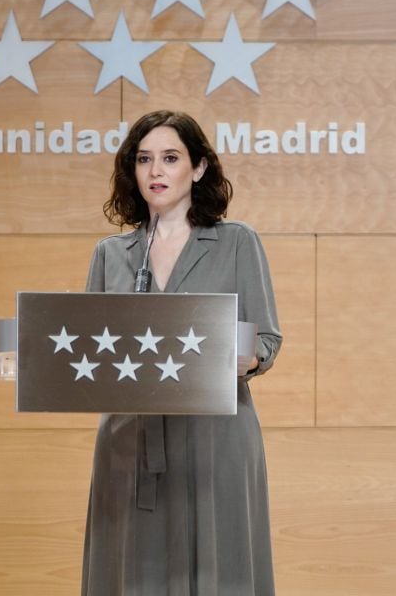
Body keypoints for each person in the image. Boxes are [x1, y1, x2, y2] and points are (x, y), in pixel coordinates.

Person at [80, 110, 282, 595]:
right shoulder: (111, 254)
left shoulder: (237, 242)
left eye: (170, 158)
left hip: (216, 438)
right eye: (144, 159)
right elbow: (88, 345)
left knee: (220, 574)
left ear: (198, 168)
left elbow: (266, 339)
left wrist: (246, 358)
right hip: (131, 441)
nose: (156, 172)